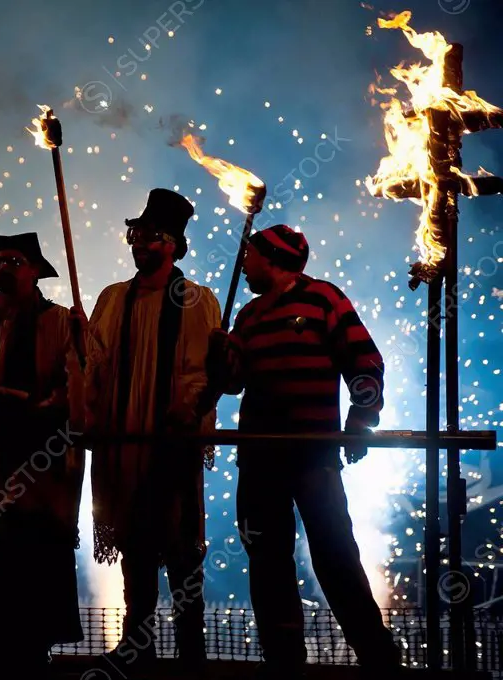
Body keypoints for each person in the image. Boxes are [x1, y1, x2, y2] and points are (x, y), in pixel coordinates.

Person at [209, 224, 401, 678]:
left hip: (313, 456)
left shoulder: (323, 299)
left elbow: (364, 361)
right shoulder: (250, 316)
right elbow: (233, 384)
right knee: (267, 561)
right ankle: (284, 663)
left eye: (250, 255)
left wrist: (360, 422)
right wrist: (220, 355)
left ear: (272, 257)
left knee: (335, 555)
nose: (244, 263)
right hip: (258, 459)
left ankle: (379, 658)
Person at [74, 188, 219, 673]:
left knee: (181, 550)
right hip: (123, 441)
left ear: (175, 244)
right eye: (136, 234)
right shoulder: (114, 298)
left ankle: (191, 648)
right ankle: (138, 645)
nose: (140, 244)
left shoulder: (198, 300)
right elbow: (94, 366)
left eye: (152, 236)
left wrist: (189, 412)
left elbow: (203, 371)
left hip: (174, 443)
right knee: (135, 549)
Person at [0, 232, 85, 672]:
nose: (4, 267)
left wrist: (55, 405)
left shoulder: (63, 323)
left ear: (34, 271)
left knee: (41, 556)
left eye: (15, 260)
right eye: (0, 261)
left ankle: (35, 651)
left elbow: (80, 384)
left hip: (45, 468)